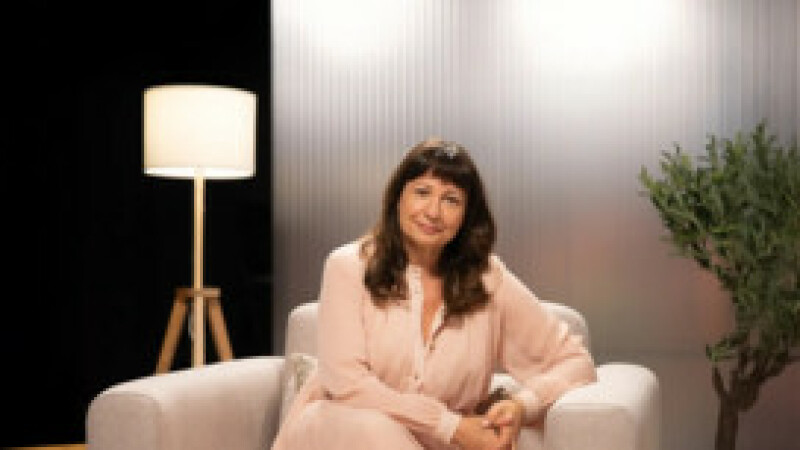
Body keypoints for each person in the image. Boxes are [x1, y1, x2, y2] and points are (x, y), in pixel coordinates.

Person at [272, 138, 597, 450]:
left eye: (451, 200)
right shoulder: (347, 266)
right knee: (373, 426)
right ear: (398, 198)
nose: (433, 211)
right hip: (335, 433)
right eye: (422, 192)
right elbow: (347, 385)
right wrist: (451, 427)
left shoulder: (488, 279)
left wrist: (521, 406)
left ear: (467, 215)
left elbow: (574, 362)